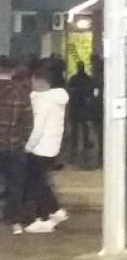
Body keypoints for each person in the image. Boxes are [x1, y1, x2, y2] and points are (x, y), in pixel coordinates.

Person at [21, 67, 69, 233]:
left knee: (35, 183)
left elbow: (37, 128)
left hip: (40, 147)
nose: (31, 84)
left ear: (41, 82)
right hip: (52, 146)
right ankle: (49, 215)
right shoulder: (56, 99)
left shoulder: (43, 101)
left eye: (33, 80)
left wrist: (28, 146)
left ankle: (50, 213)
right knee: (40, 181)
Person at [0, 56, 33, 235]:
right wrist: (23, 140)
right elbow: (28, 123)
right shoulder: (20, 93)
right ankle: (15, 222)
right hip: (14, 146)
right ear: (13, 71)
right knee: (15, 185)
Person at [67, 61, 94, 155]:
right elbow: (91, 91)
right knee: (84, 125)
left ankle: (75, 143)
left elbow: (69, 89)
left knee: (76, 126)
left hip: (75, 105)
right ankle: (85, 142)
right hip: (83, 105)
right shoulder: (88, 79)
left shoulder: (73, 79)